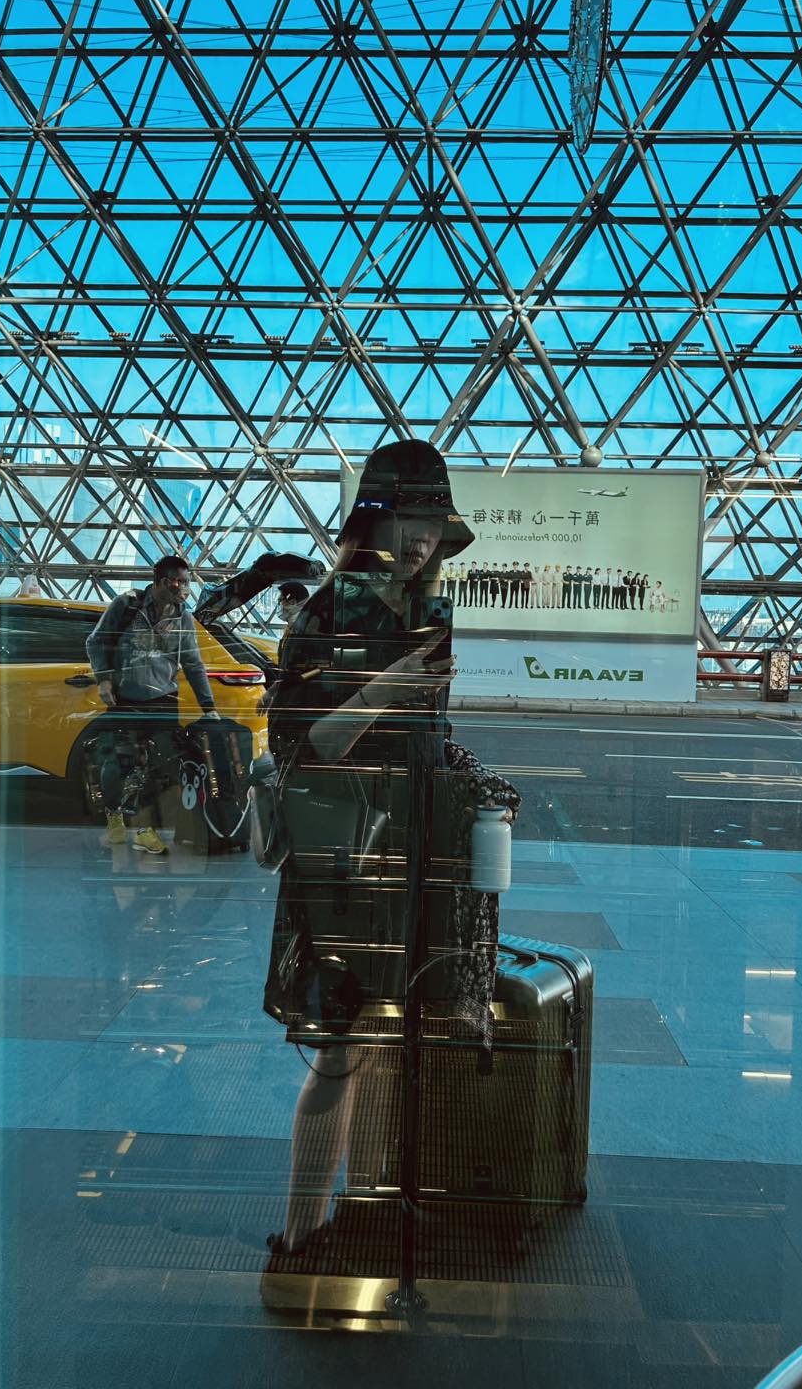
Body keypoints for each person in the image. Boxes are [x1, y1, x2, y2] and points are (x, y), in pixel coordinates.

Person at [262, 440, 519, 1262]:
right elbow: (304, 747)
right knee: (341, 1048)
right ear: (372, 521)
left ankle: (366, 1204)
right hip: (344, 861)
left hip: (411, 854)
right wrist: (391, 688)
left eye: (433, 524)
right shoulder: (328, 613)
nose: (420, 539)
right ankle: (300, 1231)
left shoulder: (425, 611)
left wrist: (469, 782)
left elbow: (427, 737)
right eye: (407, 518)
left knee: (390, 1041)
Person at [86, 555, 220, 855]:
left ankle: (146, 829)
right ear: (162, 582)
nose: (185, 589)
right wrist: (104, 680)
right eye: (180, 582)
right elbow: (95, 642)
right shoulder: (126, 606)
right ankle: (114, 815)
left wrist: (208, 706)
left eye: (187, 582)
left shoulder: (183, 618)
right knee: (119, 763)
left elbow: (193, 663)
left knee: (159, 767)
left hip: (163, 700)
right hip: (125, 698)